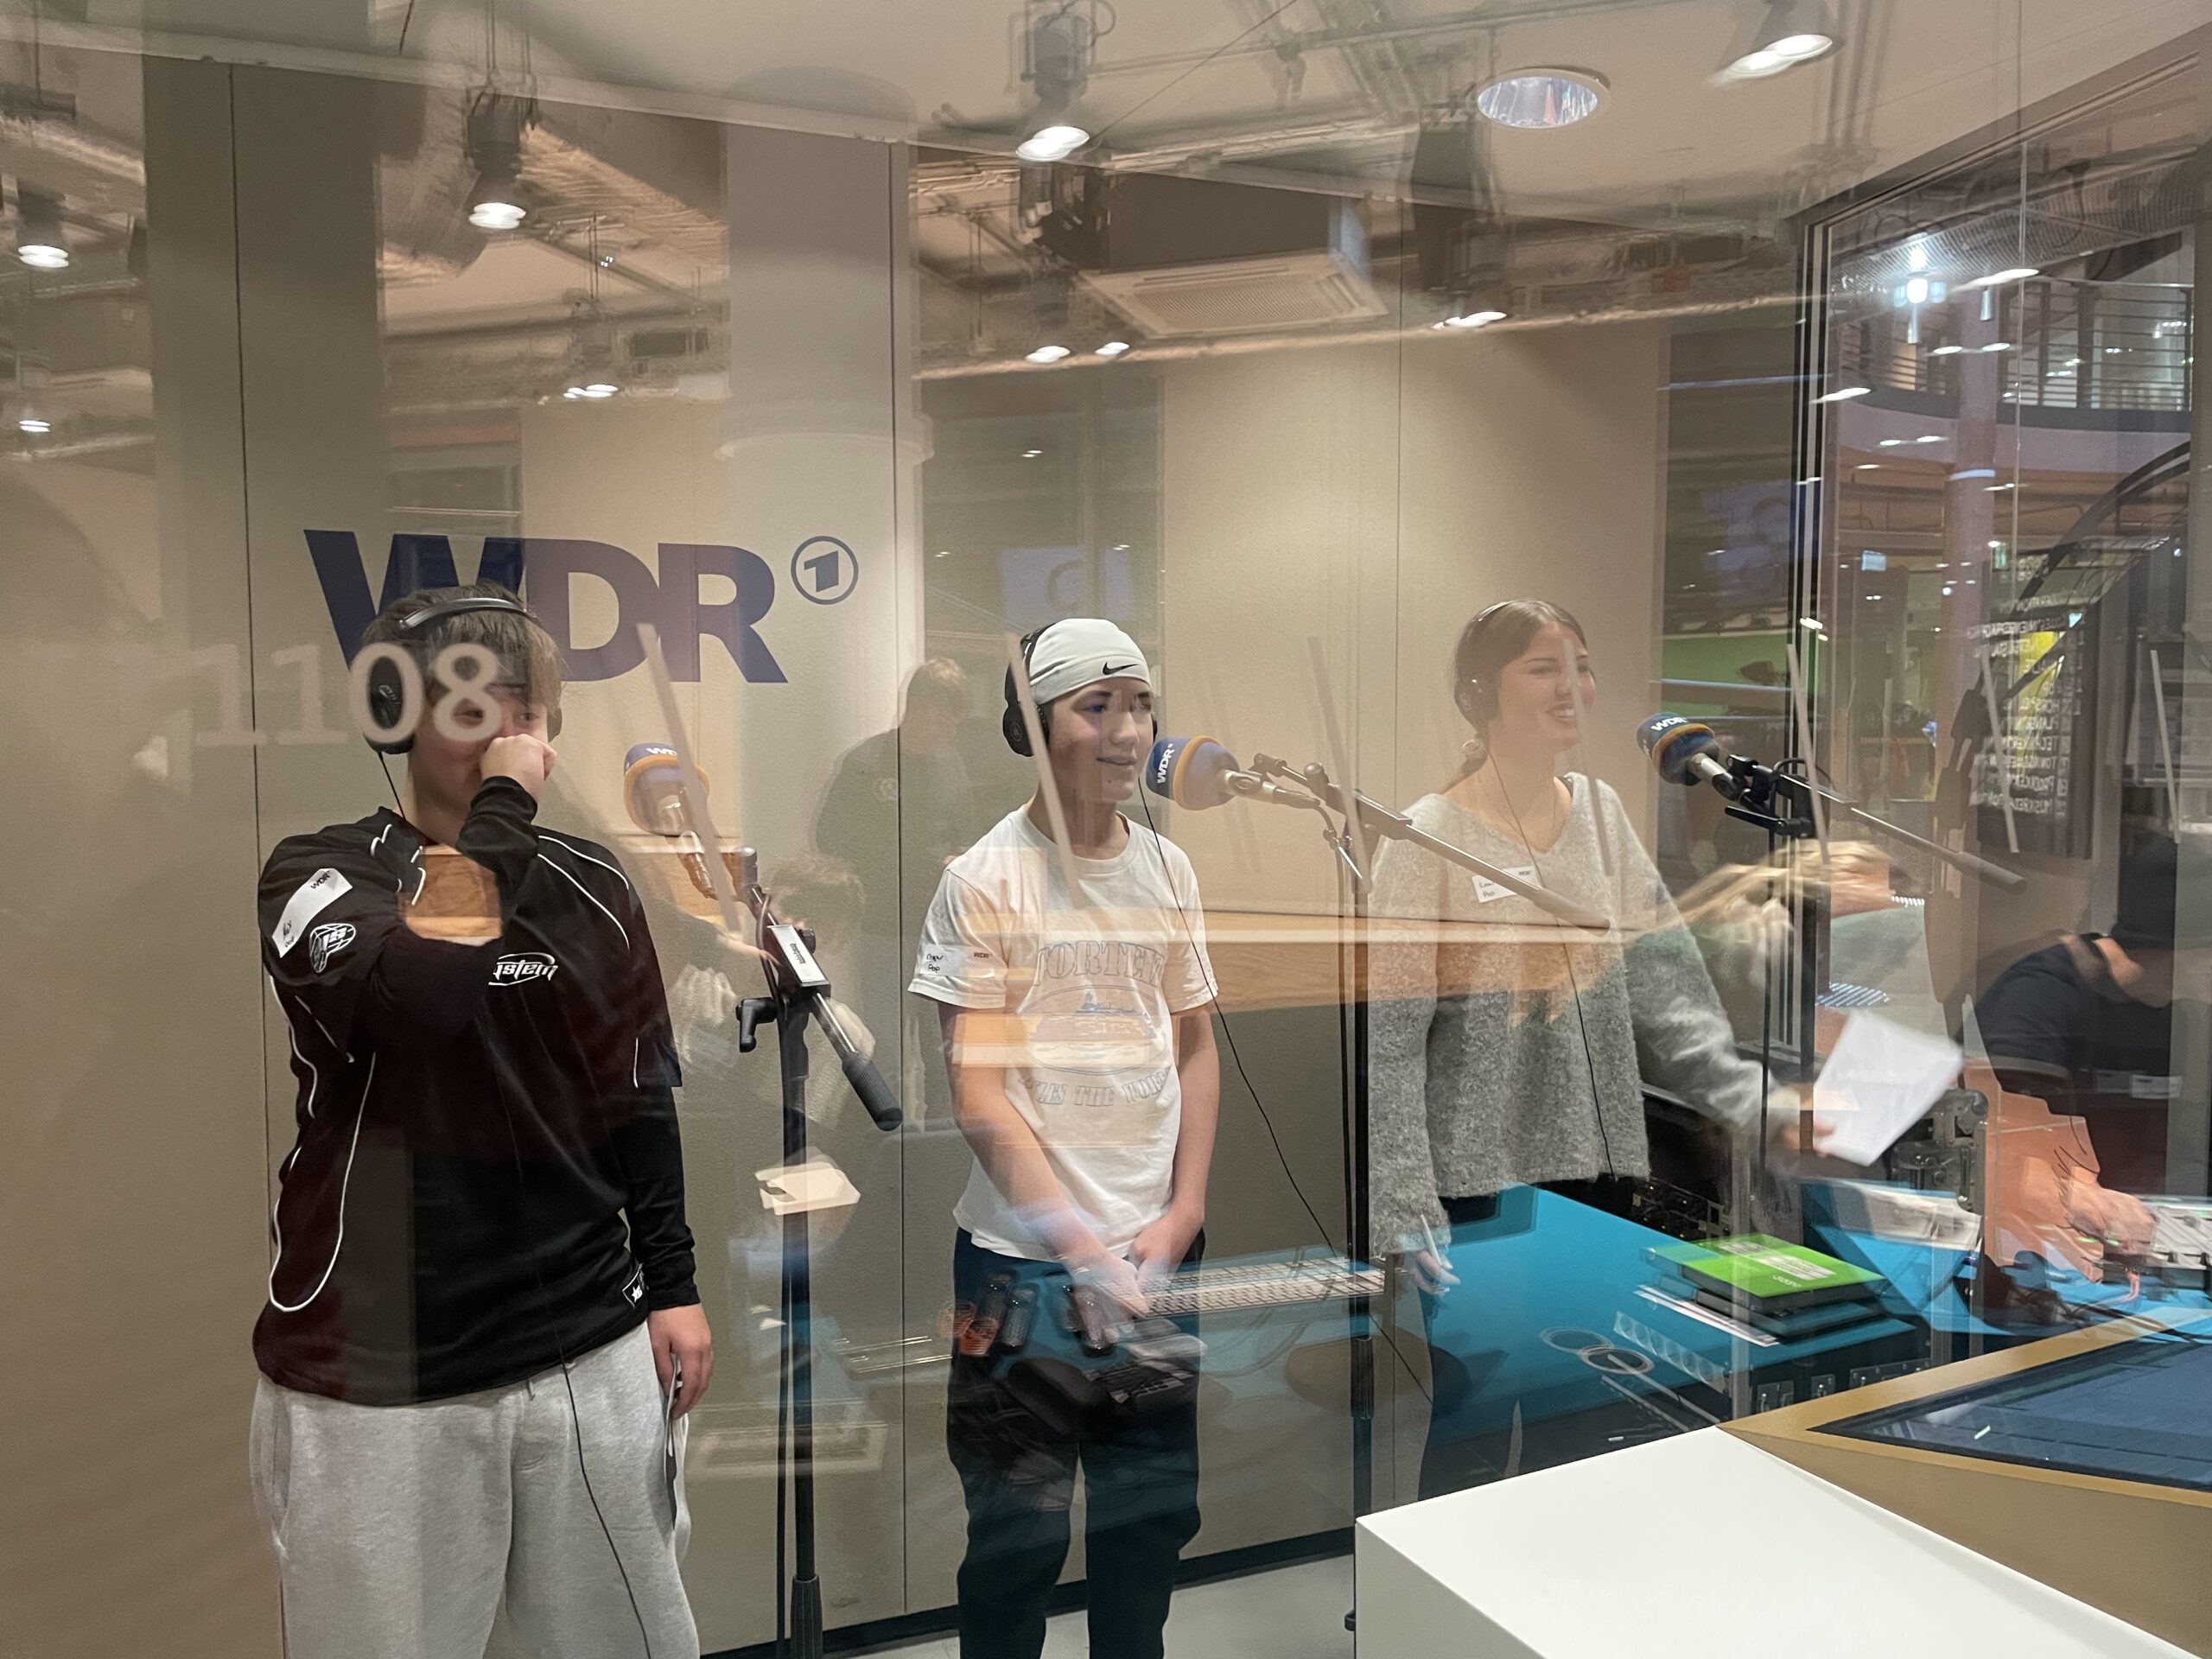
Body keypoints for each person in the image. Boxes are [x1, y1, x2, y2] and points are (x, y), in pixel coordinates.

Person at [249, 582, 712, 1659]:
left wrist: (675, 1284)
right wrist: (503, 812)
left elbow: (639, 1094)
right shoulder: (318, 874)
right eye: (474, 707)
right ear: (397, 717)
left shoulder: (593, 883)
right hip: (379, 1375)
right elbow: (423, 998)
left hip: (590, 1344)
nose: (509, 735)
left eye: (527, 711)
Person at [1366, 599, 1798, 1497]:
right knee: (1477, 1426)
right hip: (1477, 1189)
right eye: (1542, 667)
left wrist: (1746, 1097)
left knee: (1589, 1411)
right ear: (1482, 690)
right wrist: (1405, 1203)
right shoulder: (1424, 838)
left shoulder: (1600, 815)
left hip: (1599, 1175)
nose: (1571, 687)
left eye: (1582, 666)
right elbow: (1392, 1047)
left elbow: (1665, 985)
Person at [909, 618, 1220, 1659]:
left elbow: (1193, 1047)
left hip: (1156, 1253)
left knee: (1147, 1528)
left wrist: (1183, 1213)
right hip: (1017, 1272)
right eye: (1098, 706)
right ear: (1034, 728)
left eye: (1140, 705)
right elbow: (979, 1094)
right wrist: (1081, 1253)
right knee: (1016, 1540)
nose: (1128, 731)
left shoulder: (1168, 868)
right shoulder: (983, 879)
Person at [1975, 835, 2212, 1195]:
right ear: (2182, 948)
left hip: (2149, 1210)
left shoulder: (2189, 1014)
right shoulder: (2040, 995)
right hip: (2049, 1210)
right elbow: (1998, 1137)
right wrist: (2072, 1195)